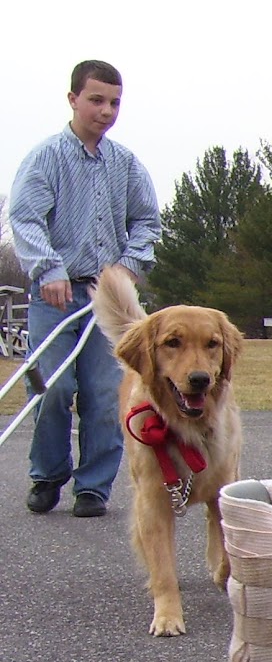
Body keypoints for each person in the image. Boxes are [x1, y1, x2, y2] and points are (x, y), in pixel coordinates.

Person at [8, 59, 161, 518]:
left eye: (114, 102)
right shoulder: (45, 158)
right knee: (53, 388)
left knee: (103, 390)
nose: (106, 110)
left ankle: (93, 485)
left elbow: (146, 221)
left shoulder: (127, 164)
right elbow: (27, 218)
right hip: (55, 296)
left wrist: (130, 266)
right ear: (73, 98)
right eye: (96, 100)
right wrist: (48, 269)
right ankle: (47, 473)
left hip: (108, 301)